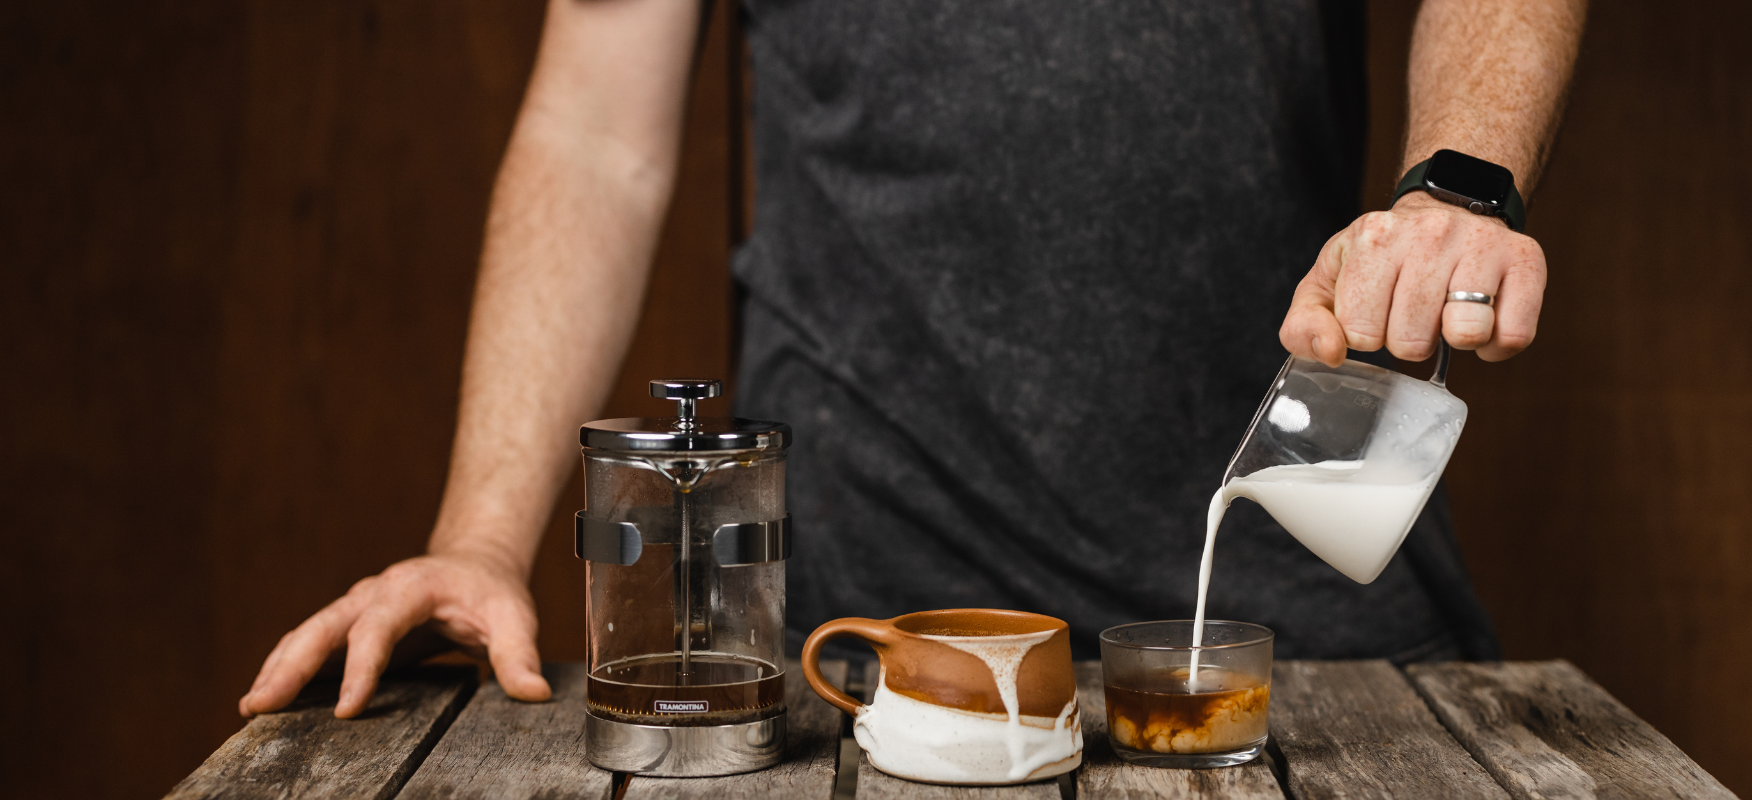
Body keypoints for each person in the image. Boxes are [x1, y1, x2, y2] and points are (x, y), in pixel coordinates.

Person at [240, 0, 1584, 719]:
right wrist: (478, 539)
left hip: (1300, 645)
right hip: (850, 661)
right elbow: (599, 132)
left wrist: (1459, 181)